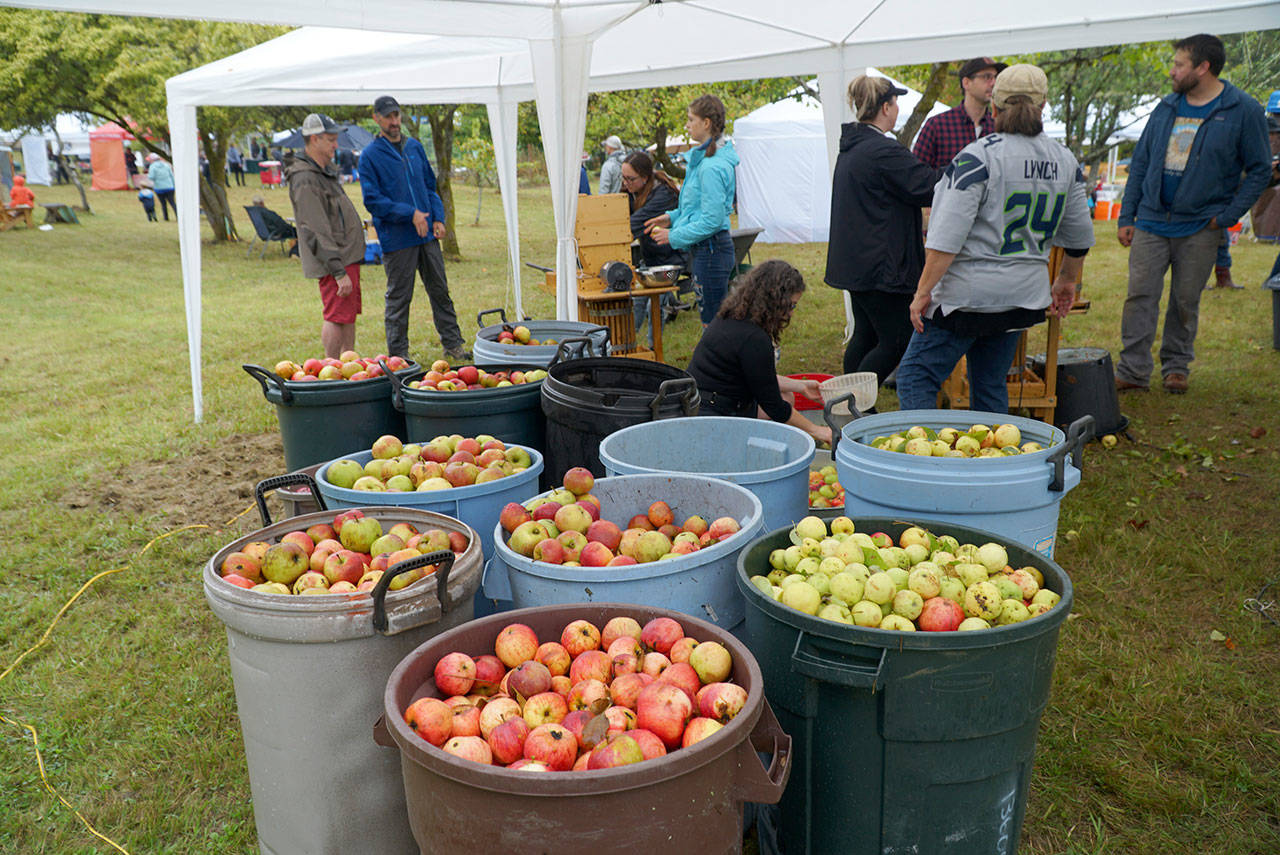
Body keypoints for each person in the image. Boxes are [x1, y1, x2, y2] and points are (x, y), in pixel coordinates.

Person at [896, 64, 1095, 414]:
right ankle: (993, 462)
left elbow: (945, 238)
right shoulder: (1065, 160)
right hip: (1022, 297)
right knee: (990, 384)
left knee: (915, 376)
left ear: (995, 107)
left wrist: (923, 292)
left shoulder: (978, 156)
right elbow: (1078, 235)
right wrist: (1066, 280)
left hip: (966, 298)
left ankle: (921, 458)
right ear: (1043, 105)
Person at [1115, 34, 1271, 394]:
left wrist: (1229, 214)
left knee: (1186, 300)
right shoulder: (1166, 107)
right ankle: (1133, 370)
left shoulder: (1243, 109)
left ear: (1203, 68)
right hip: (1152, 221)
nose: (1172, 72)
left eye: (1179, 64)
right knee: (1139, 296)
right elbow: (1140, 162)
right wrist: (1127, 215)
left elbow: (1260, 169)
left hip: (1201, 225)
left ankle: (1176, 366)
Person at [825, 74, 942, 387]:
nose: (897, 109)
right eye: (895, 102)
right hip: (882, 266)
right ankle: (854, 402)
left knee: (867, 334)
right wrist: (965, 167)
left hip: (857, 261)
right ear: (885, 107)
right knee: (897, 339)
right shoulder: (883, 151)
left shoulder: (854, 146)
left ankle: (847, 403)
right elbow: (929, 187)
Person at [360, 94, 470, 362]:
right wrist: (410, 214)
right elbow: (372, 201)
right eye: (388, 117)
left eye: (396, 115)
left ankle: (453, 345)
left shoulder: (415, 148)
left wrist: (438, 218)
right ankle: (398, 356)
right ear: (377, 119)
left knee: (440, 291)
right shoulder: (369, 156)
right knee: (399, 299)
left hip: (427, 237)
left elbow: (430, 186)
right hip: (397, 240)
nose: (394, 121)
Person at [687, 259, 834, 446]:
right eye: (791, 306)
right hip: (714, 414)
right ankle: (751, 446)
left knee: (787, 396)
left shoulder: (732, 317)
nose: (791, 313)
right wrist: (818, 430)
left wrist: (801, 386)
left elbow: (759, 377)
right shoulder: (754, 338)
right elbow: (773, 406)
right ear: (776, 302)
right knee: (783, 402)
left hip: (700, 400)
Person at [646, 94, 739, 325]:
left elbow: (712, 220)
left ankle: (720, 360)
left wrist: (673, 235)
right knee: (713, 319)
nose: (687, 125)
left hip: (712, 252)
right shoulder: (705, 161)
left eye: (690, 119)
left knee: (714, 324)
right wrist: (672, 217)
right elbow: (697, 207)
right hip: (708, 251)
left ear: (706, 123)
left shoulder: (711, 167)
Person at [285, 113, 366, 360]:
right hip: (335, 259)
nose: (335, 145)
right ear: (314, 139)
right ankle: (329, 368)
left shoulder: (320, 171)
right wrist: (337, 270)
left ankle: (348, 364)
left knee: (347, 314)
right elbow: (313, 228)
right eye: (330, 139)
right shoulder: (305, 177)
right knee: (336, 316)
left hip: (345, 255)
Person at [621, 151, 687, 344]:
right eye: (623, 177)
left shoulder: (662, 195)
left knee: (655, 306)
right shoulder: (632, 190)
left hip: (671, 263)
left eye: (630, 178)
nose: (625, 183)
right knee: (637, 302)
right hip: (650, 260)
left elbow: (634, 224)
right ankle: (627, 347)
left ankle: (654, 349)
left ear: (645, 177)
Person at [912, 57, 1007, 169]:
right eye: (987, 77)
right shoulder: (938, 126)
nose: (993, 83)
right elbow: (917, 175)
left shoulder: (998, 128)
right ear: (966, 83)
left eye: (996, 77)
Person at [146, 154, 176, 221]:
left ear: (152, 160)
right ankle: (178, 216)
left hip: (159, 188)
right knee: (172, 202)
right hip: (170, 187)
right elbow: (171, 175)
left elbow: (151, 177)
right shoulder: (166, 165)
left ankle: (166, 217)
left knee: (163, 203)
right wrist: (173, 185)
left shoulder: (152, 167)